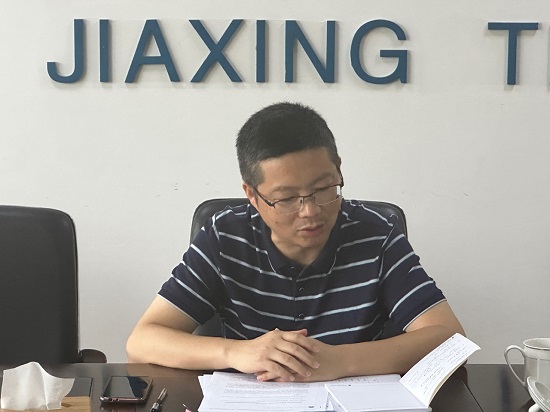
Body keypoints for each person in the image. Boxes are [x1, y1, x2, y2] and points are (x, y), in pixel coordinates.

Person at [126, 102, 464, 383]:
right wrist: (237, 352)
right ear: (252, 195)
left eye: (324, 188)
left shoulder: (376, 234)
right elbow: (142, 341)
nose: (310, 212)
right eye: (287, 198)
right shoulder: (225, 236)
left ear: (338, 170)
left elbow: (450, 338)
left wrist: (340, 361)